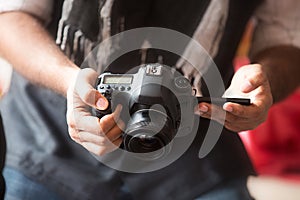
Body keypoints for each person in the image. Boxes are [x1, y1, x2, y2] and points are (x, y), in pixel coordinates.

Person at [0, 0, 300, 199]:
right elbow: (10, 17)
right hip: (46, 143)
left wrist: (262, 83)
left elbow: (286, 38)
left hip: (195, 162)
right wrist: (68, 81)